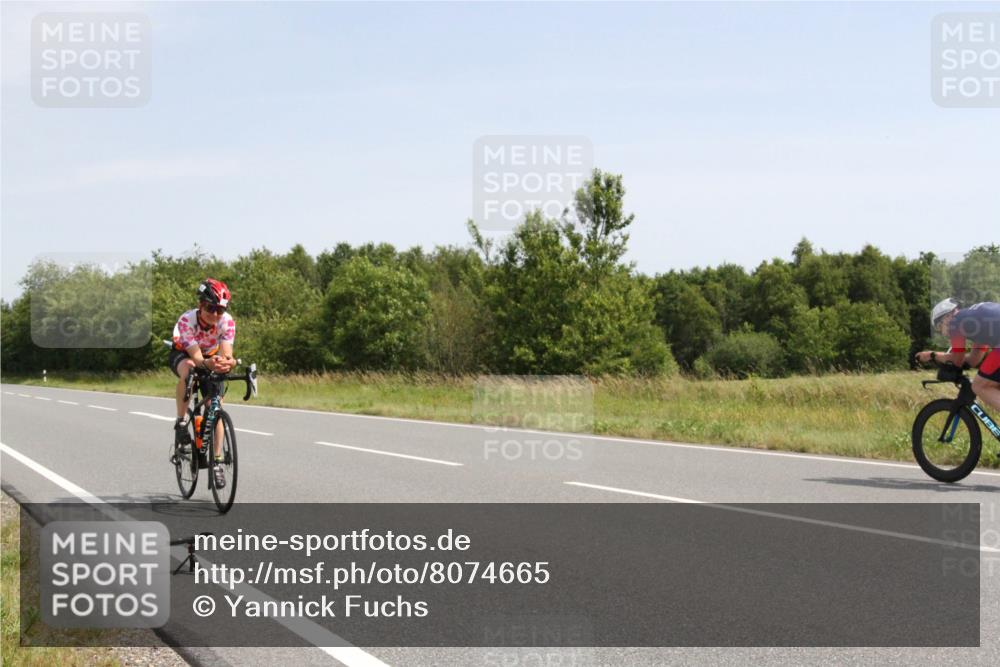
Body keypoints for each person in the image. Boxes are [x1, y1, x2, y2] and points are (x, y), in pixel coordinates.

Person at [169, 279, 237, 488]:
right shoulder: (186, 321)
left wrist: (228, 362)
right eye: (210, 308)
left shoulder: (226, 322)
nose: (215, 314)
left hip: (211, 358)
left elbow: (226, 352)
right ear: (200, 305)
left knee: (215, 406)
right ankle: (181, 421)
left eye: (220, 309)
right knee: (189, 370)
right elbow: (198, 359)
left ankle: (216, 461)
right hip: (186, 354)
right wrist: (207, 363)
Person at [916, 298, 1000, 412]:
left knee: (979, 386)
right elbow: (973, 359)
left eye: (939, 327)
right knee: (992, 385)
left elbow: (957, 361)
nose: (942, 333)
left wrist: (932, 355)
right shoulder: (975, 321)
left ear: (947, 317)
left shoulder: (955, 322)